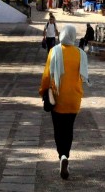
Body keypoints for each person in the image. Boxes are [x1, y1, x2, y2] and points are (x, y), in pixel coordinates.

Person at [39, 24, 91, 180]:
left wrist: (43, 91)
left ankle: (61, 155)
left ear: (61, 35)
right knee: (69, 129)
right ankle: (65, 155)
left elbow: (47, 76)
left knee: (58, 129)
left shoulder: (54, 51)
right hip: (74, 99)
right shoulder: (81, 54)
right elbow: (84, 77)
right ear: (73, 36)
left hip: (58, 97)